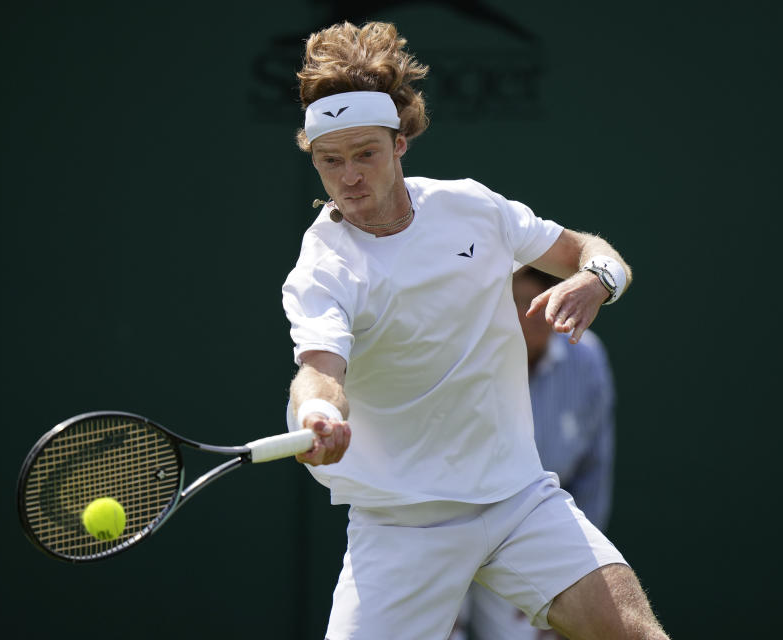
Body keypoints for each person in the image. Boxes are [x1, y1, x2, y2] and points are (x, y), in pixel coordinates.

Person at [281, 21, 669, 640]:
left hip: (516, 500)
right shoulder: (324, 267)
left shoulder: (473, 208)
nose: (350, 177)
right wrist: (316, 418)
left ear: (399, 145)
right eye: (331, 161)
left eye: (366, 155)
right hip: (402, 525)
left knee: (634, 632)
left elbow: (592, 253)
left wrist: (597, 279)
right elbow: (320, 373)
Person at [452, 266, 618, 640]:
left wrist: (573, 565)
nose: (529, 314)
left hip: (528, 531)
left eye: (542, 302)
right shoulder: (459, 355)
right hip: (449, 523)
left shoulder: (587, 360)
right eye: (515, 302)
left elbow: (594, 469)